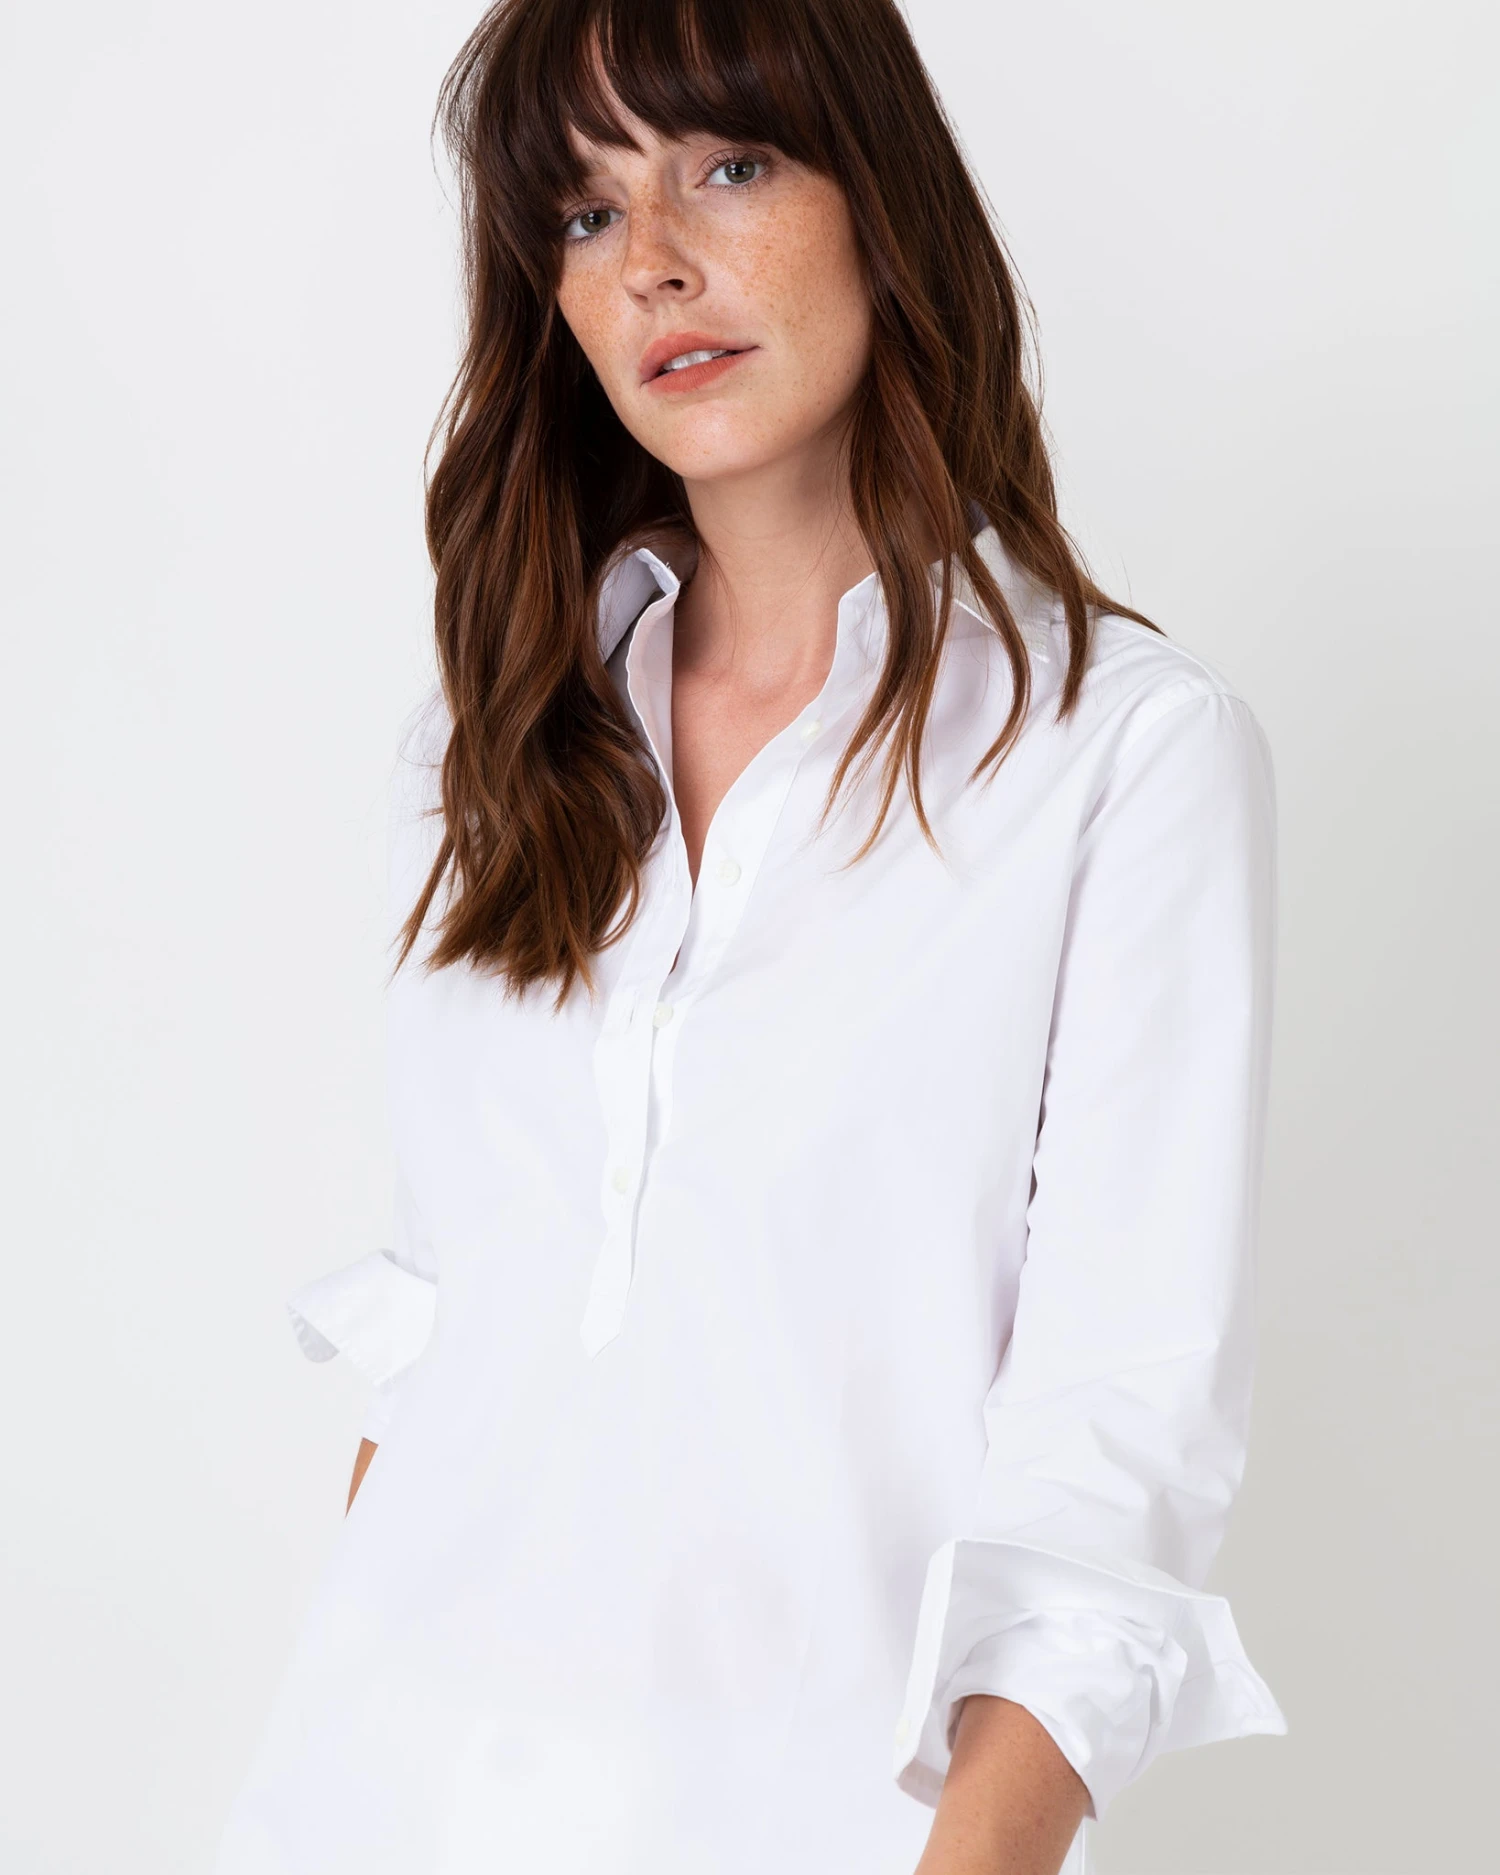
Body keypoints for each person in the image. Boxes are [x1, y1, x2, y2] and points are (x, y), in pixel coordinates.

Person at [213, 1, 1288, 1871]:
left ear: (881, 198)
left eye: (727, 164)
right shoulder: (490, 753)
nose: (653, 261)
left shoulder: (1120, 759)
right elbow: (447, 1338)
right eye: (584, 211)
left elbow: (1111, 1466)